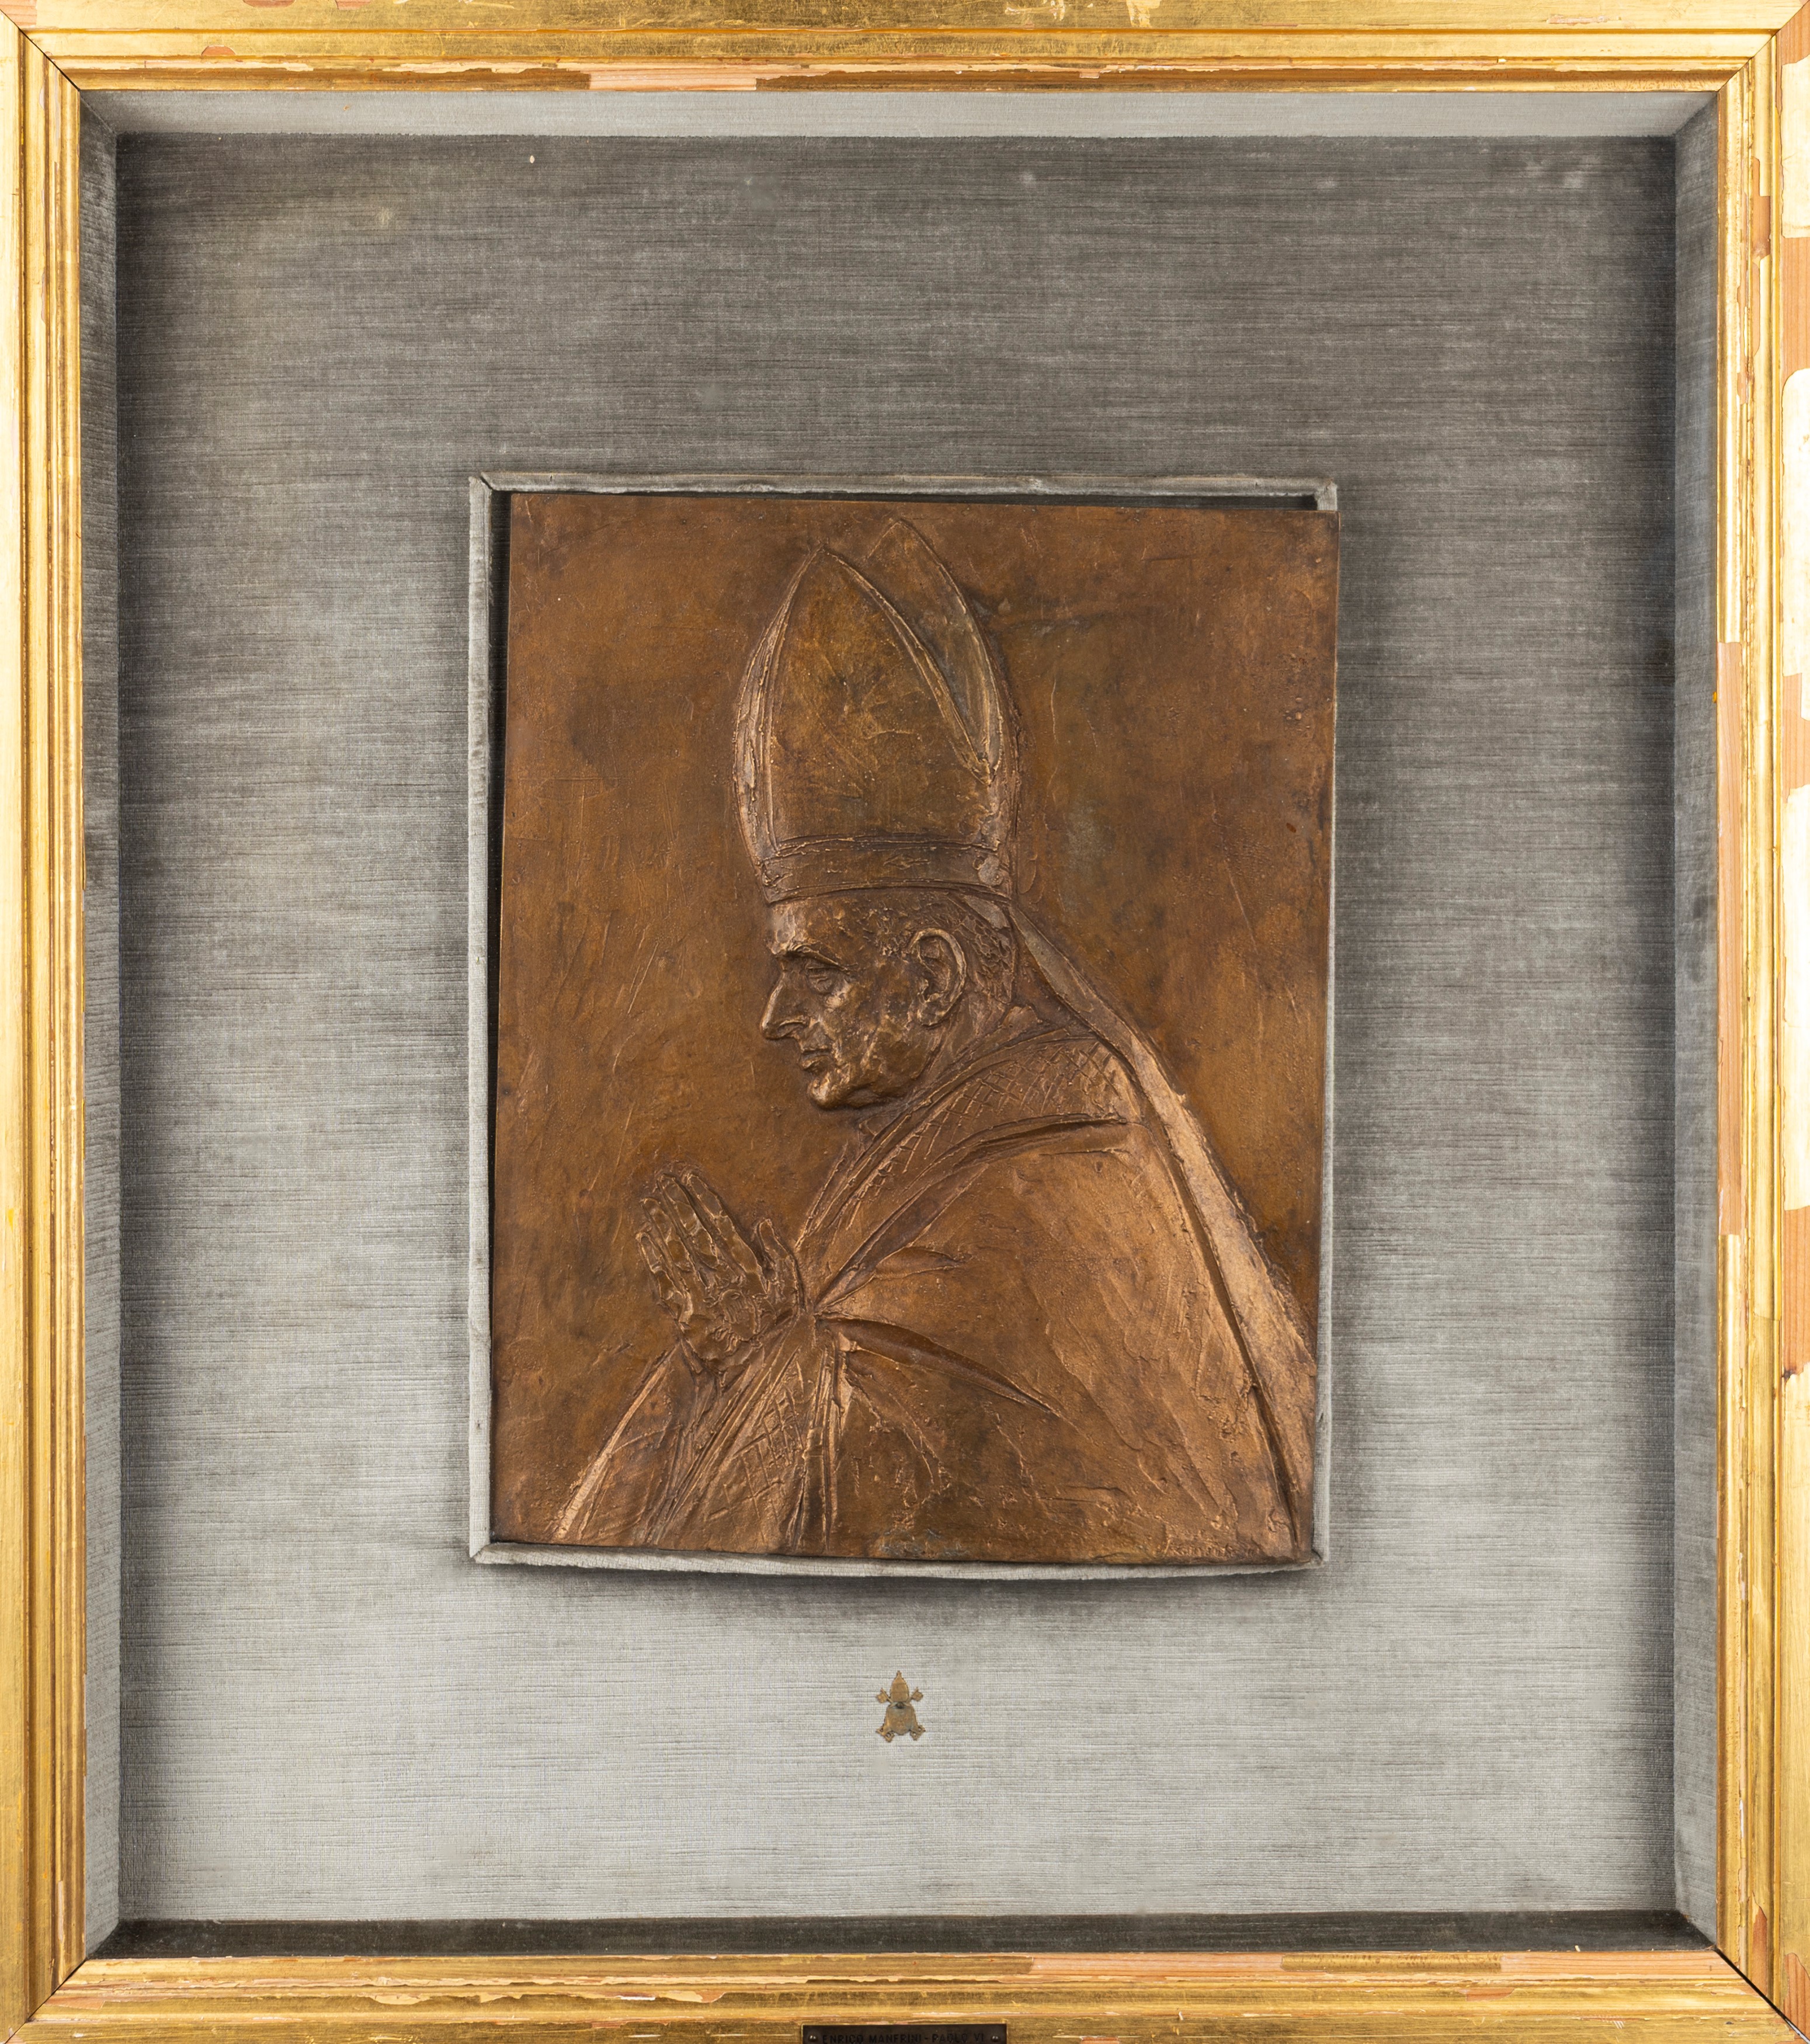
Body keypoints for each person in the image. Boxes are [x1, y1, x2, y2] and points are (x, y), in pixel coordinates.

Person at [554, 520, 1314, 1565]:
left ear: (933, 977)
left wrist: (759, 1360)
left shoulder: (1059, 1184)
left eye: (815, 970)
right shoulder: (943, 1150)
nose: (776, 1018)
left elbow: (1006, 1506)